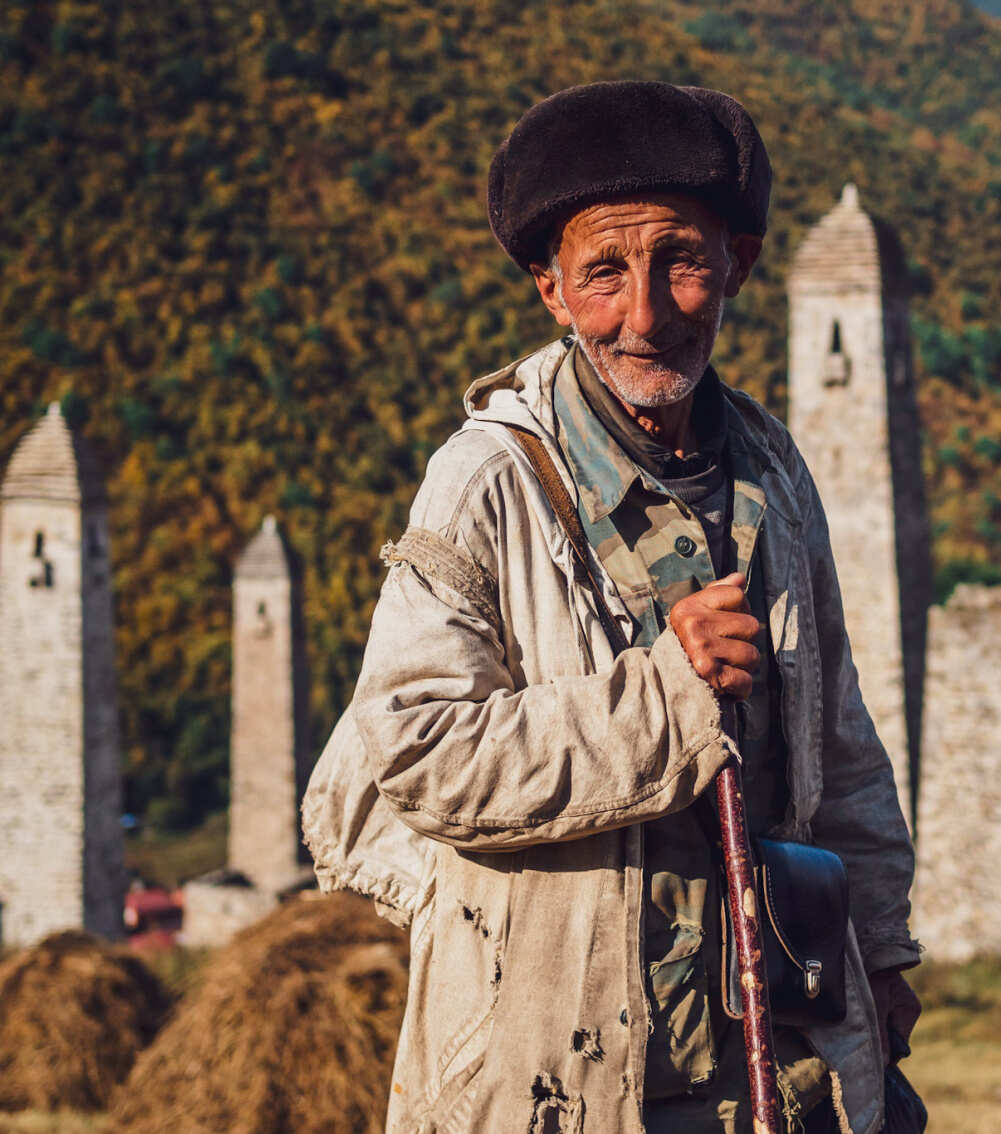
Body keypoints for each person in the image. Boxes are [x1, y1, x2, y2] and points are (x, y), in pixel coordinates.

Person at [303, 81, 920, 1134]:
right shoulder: (486, 484)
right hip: (560, 1069)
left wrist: (881, 950)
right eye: (603, 272)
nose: (644, 313)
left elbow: (839, 741)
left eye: (680, 260)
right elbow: (413, 751)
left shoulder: (771, 473)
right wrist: (666, 699)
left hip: (769, 1060)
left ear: (737, 263)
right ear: (551, 289)